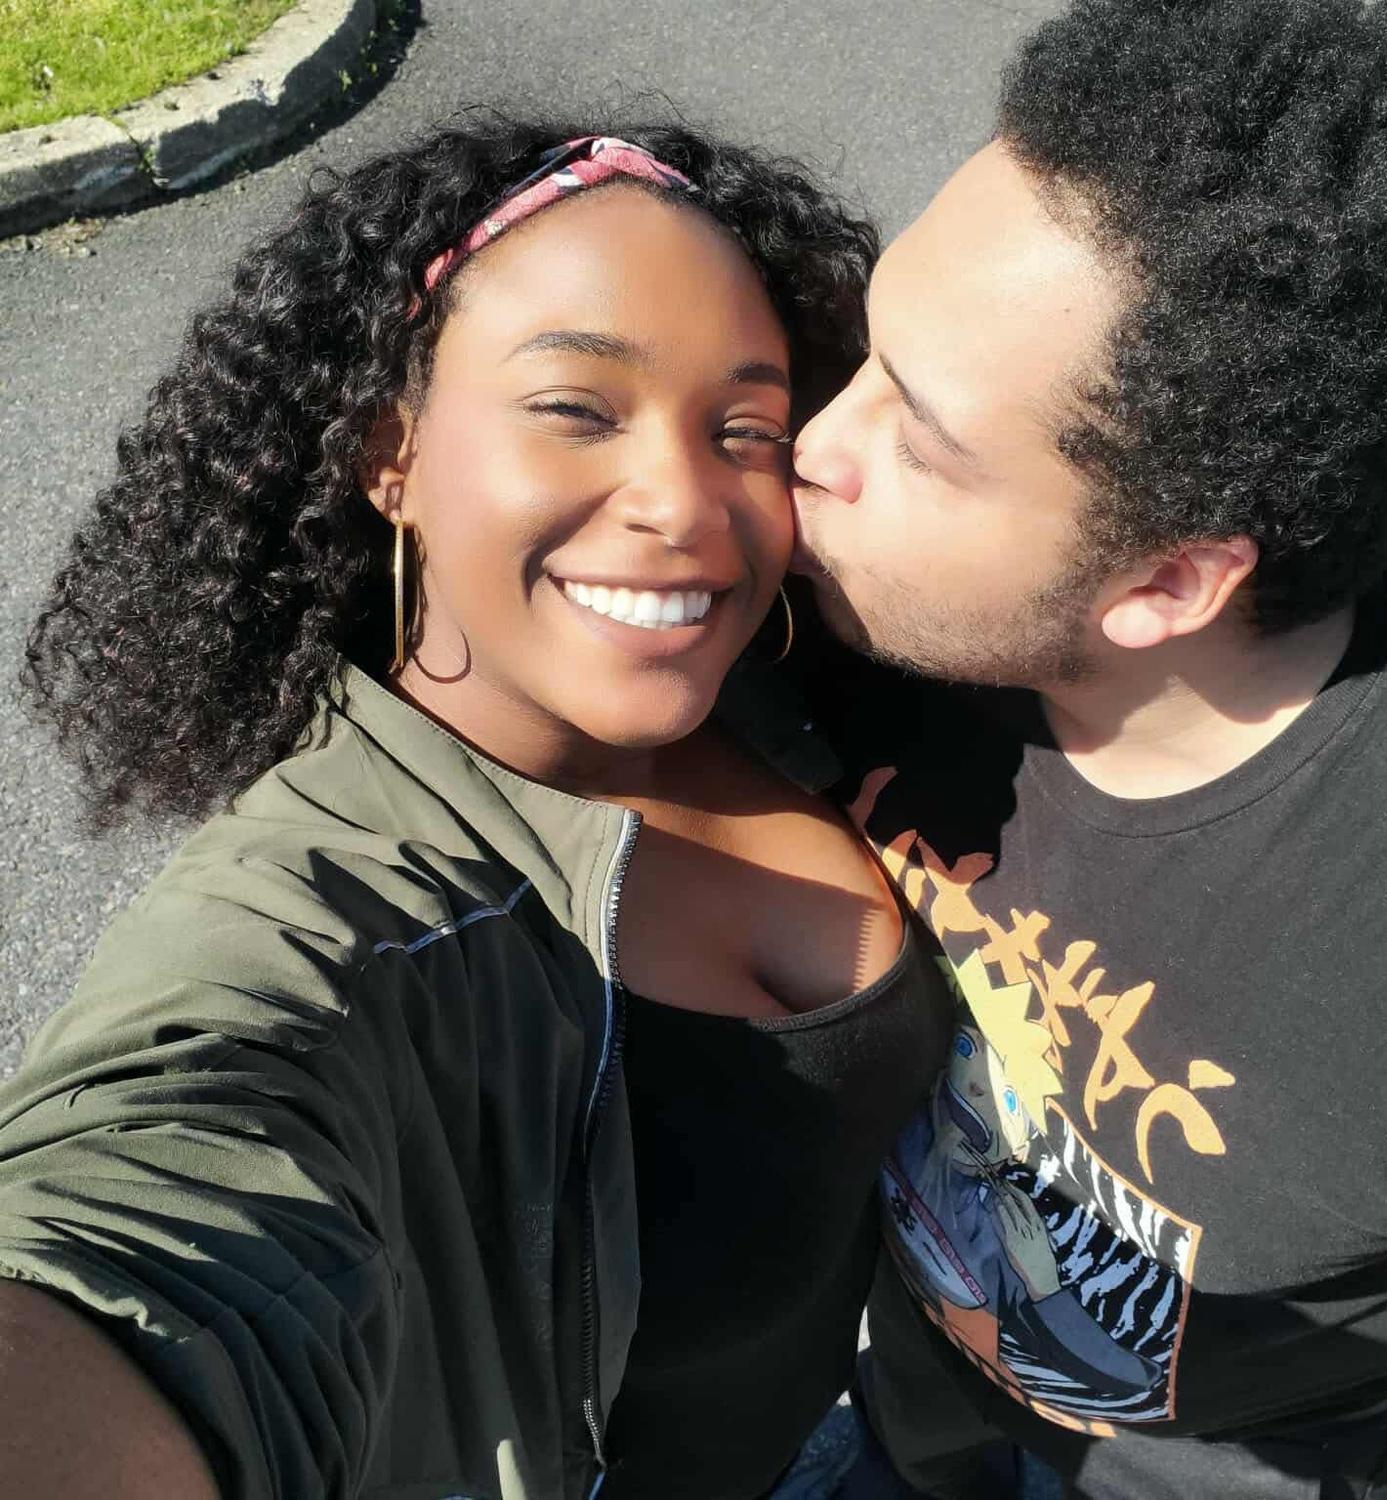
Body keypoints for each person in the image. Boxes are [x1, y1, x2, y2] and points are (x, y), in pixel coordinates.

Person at [0, 119, 956, 1500]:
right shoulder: (334, 914)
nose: (687, 503)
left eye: (743, 430)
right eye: (578, 409)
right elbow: (147, 1205)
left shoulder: (783, 690)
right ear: (388, 453)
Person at [787, 0, 1387, 1496]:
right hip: (920, 1385)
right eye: (871, 358)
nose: (813, 448)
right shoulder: (865, 607)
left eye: (920, 443)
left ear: (1168, 583)